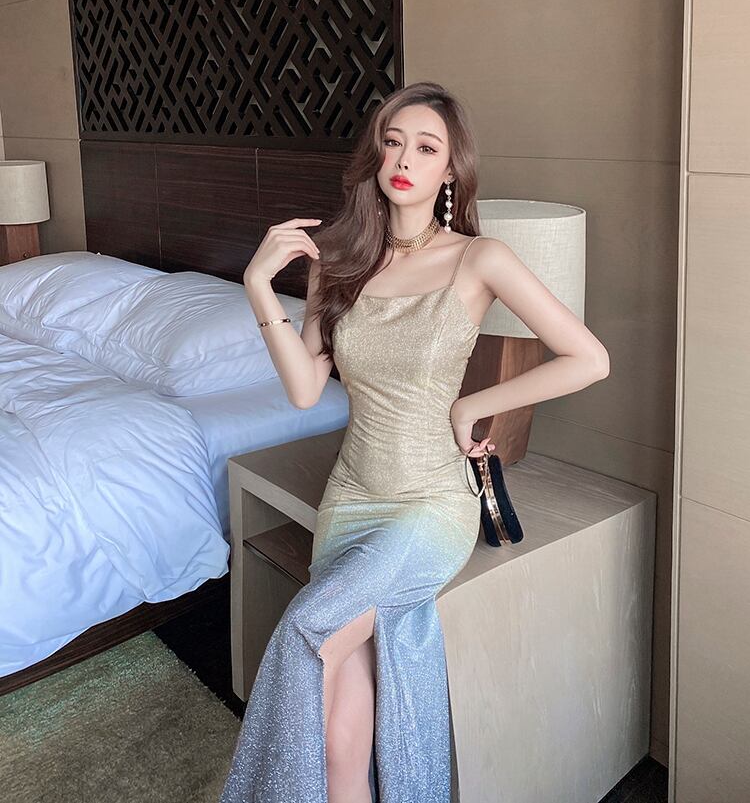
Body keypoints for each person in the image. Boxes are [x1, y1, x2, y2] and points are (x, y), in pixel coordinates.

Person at [219, 81, 610, 803]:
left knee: (307, 631)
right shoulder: (338, 261)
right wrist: (257, 285)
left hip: (429, 504)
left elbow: (589, 358)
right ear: (374, 156)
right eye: (392, 142)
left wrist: (474, 405)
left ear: (450, 169)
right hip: (350, 499)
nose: (404, 159)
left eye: (426, 148)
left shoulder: (480, 258)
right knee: (340, 735)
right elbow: (305, 388)